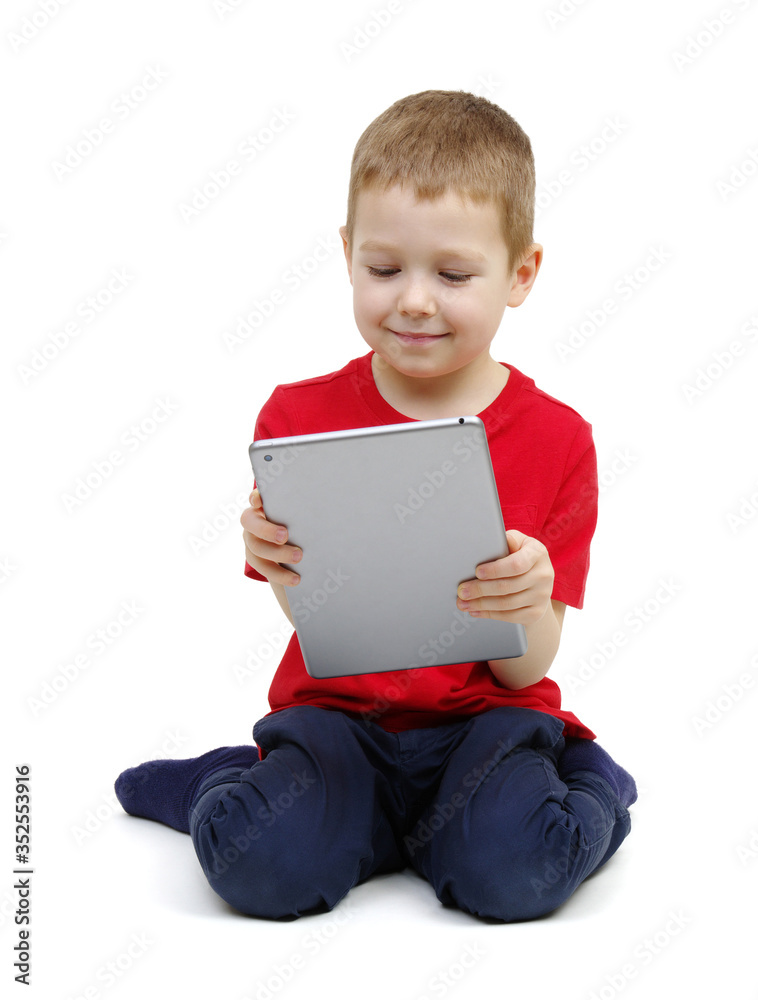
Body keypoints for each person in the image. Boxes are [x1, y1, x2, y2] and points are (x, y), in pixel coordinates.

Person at [115, 89, 636, 922]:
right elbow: (319, 619)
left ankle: (591, 780)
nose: (415, 300)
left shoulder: (559, 438)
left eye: (454, 274)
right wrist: (280, 563)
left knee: (516, 875)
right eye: (384, 269)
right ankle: (231, 776)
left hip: (486, 726)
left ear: (521, 275)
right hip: (339, 724)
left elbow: (525, 668)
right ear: (348, 254)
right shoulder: (297, 418)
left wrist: (528, 600)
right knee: (258, 867)